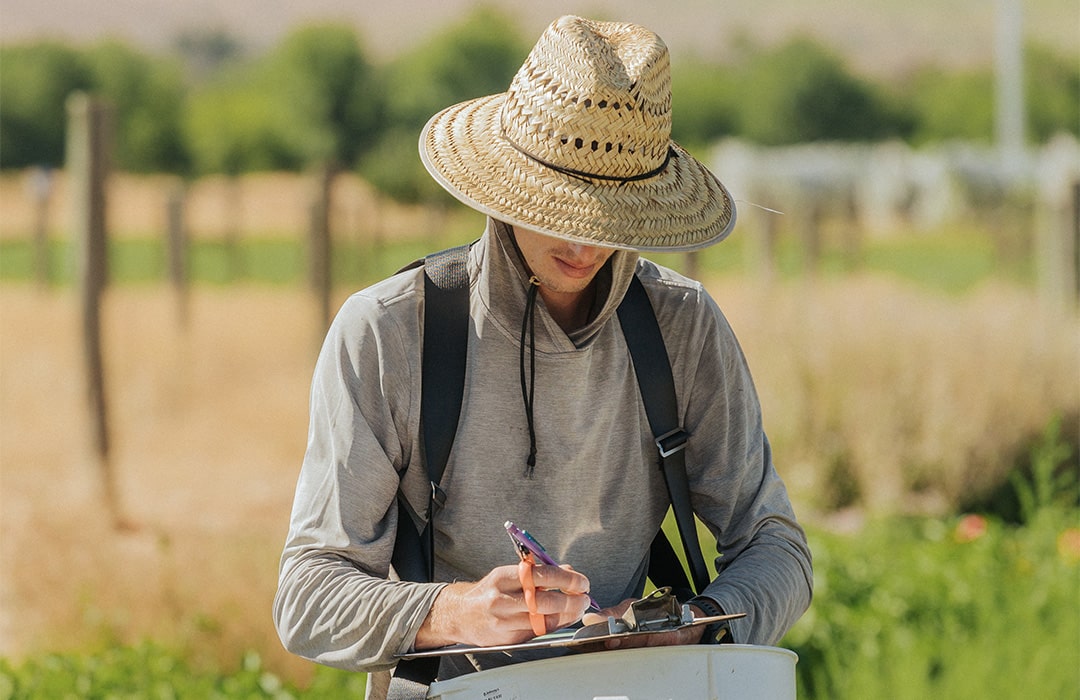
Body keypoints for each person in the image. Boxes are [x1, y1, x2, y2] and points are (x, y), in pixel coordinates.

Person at [274, 14, 812, 698]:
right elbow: (306, 599)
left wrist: (692, 624)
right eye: (561, 212)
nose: (585, 246)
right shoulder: (387, 332)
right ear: (507, 182)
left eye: (611, 218)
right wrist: (454, 612)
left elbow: (778, 549)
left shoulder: (685, 327)